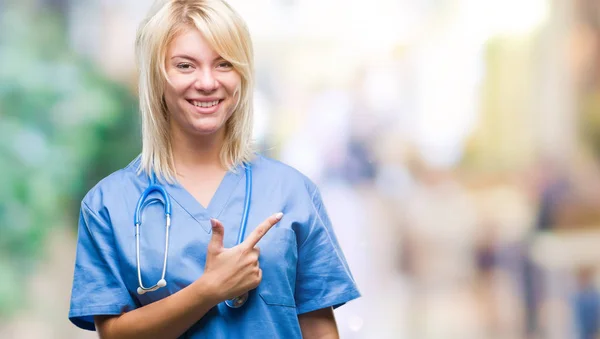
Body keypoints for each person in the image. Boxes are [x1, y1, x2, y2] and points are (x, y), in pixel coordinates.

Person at [67, 0, 360, 338]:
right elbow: (113, 335)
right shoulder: (107, 204)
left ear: (242, 74)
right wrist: (208, 290)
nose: (207, 82)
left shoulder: (293, 193)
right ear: (156, 77)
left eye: (223, 64)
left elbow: (318, 328)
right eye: (185, 65)